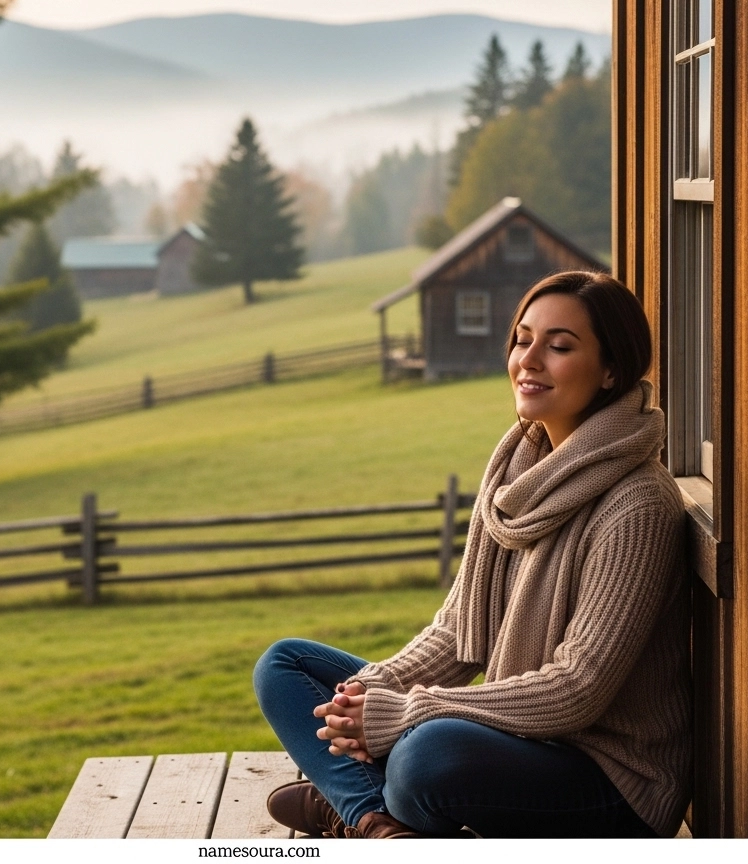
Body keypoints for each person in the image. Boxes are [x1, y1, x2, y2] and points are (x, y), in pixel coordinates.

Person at [253, 271, 691, 838]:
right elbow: (460, 631)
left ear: (611, 370)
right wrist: (372, 690)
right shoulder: (515, 471)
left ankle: (353, 800)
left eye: (559, 346)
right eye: (522, 340)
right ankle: (375, 822)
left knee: (426, 755)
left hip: (608, 782)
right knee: (285, 666)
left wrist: (405, 713)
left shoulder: (637, 505)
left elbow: (576, 691)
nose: (529, 360)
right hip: (515, 738)